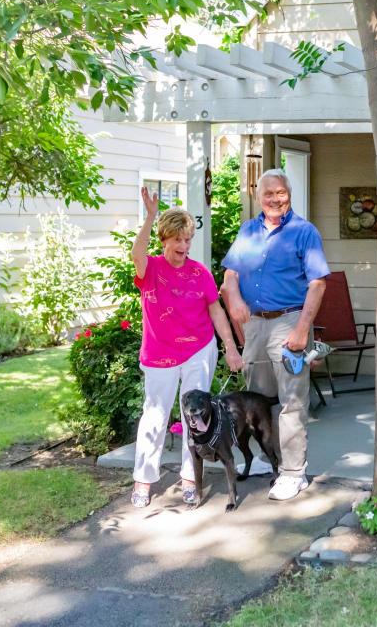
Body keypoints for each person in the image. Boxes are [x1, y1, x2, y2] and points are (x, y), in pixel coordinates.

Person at [130, 187, 243, 508]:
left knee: (195, 416)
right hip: (158, 354)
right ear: (164, 240)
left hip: (199, 349)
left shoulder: (199, 273)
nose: (183, 246)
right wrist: (150, 217)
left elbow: (216, 311)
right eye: (177, 239)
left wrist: (231, 349)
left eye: (187, 240)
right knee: (155, 414)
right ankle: (143, 479)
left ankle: (190, 477)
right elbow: (136, 255)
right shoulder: (149, 269)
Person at [221, 169, 330, 501]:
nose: (274, 199)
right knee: (256, 399)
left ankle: (293, 472)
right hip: (255, 323)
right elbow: (230, 275)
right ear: (258, 195)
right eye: (269, 193)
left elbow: (318, 284)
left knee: (291, 400)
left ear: (289, 194)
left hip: (289, 322)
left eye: (280, 192)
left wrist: (301, 330)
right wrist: (236, 300)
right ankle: (268, 461)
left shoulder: (304, 232)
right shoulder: (248, 231)